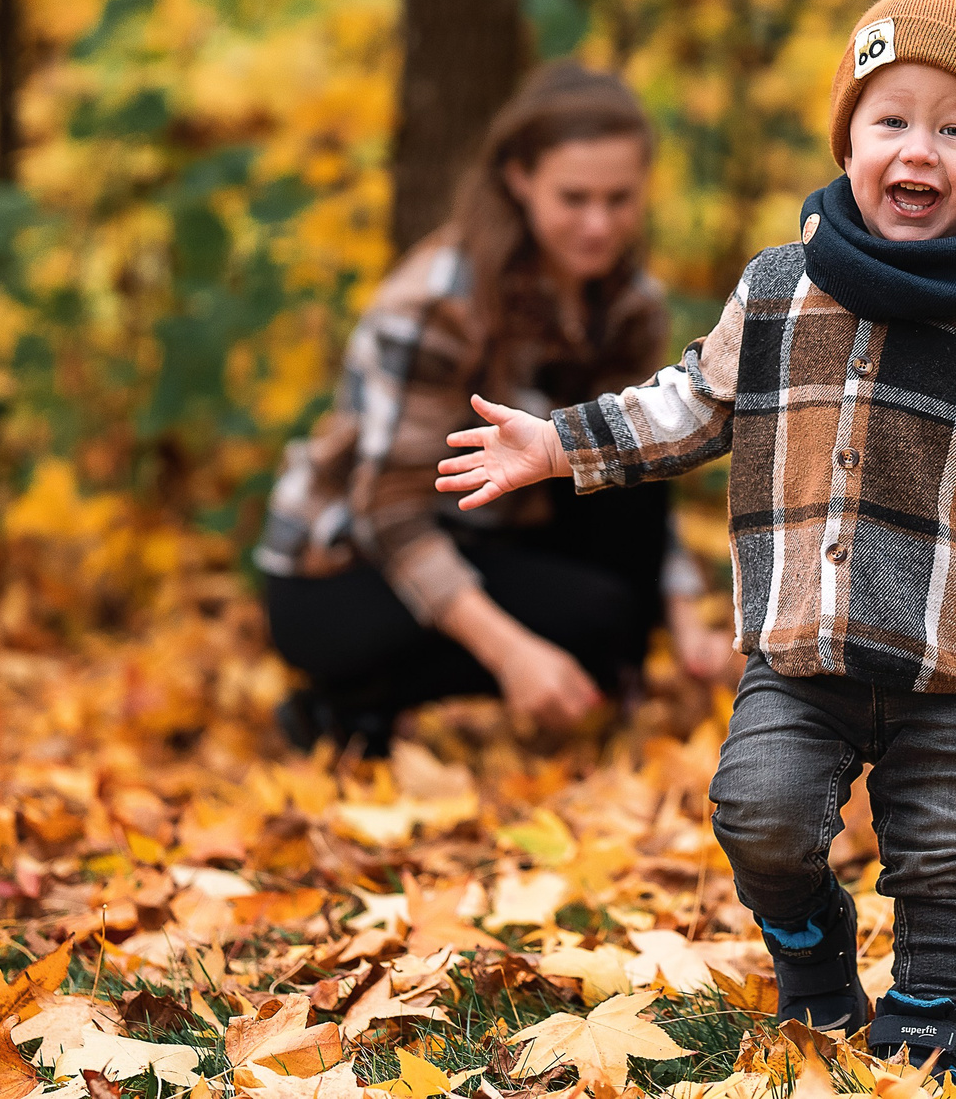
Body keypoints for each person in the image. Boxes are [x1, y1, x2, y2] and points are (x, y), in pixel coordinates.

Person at [438, 0, 956, 1090]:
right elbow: (688, 403)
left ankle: (925, 1035)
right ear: (851, 139)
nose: (918, 150)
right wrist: (562, 444)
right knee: (758, 808)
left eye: (954, 129)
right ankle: (814, 960)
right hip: (801, 650)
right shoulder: (779, 293)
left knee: (944, 855)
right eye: (892, 120)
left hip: (954, 669)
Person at [254, 62, 732, 756]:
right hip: (342, 568)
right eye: (574, 198)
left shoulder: (628, 304)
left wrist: (687, 624)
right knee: (594, 623)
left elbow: (642, 471)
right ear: (519, 179)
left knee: (623, 456)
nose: (599, 225)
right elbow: (386, 513)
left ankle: (597, 685)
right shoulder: (434, 304)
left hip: (487, 530)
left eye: (620, 199)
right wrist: (513, 653)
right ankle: (345, 706)